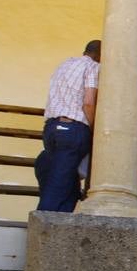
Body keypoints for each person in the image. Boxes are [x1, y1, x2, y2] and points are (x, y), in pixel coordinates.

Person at [35, 39, 100, 212]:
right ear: (101, 55)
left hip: (51, 128)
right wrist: (95, 129)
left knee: (66, 178)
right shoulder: (93, 67)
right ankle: (45, 222)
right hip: (73, 129)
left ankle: (64, 216)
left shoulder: (65, 64)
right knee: (59, 182)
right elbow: (88, 103)